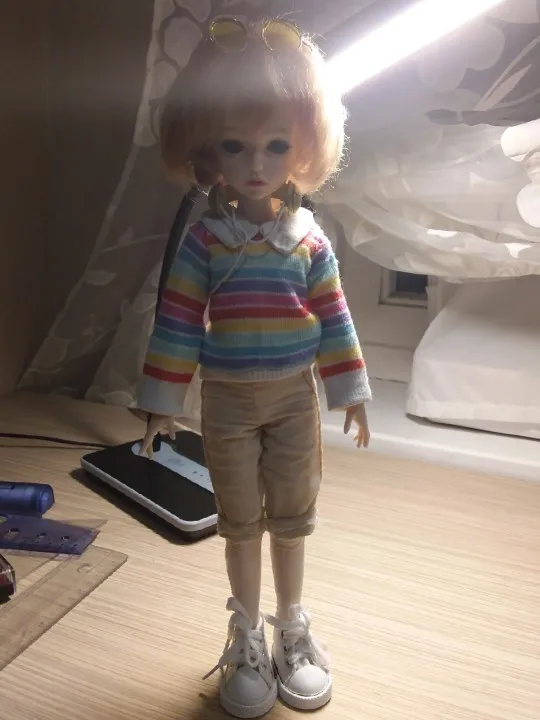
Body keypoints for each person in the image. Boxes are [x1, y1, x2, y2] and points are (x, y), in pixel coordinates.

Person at [137, 17, 371, 719]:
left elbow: (334, 316)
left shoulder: (308, 240)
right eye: (235, 145)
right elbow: (179, 320)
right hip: (230, 401)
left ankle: (291, 626)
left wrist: (350, 390)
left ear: (305, 148)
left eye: (276, 145)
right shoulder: (206, 240)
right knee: (240, 518)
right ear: (207, 150)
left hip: (295, 396)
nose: (257, 164)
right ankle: (246, 634)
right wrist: (162, 402)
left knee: (293, 514)